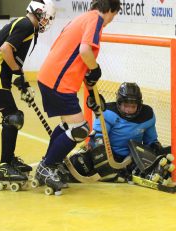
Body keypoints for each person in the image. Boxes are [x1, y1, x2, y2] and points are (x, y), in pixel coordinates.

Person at [34, 0, 121, 195]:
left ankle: (47, 164)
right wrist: (95, 68)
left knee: (68, 126)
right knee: (80, 129)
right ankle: (47, 167)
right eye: (113, 16)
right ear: (109, 10)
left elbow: (77, 60)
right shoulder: (96, 20)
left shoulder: (81, 18)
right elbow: (84, 51)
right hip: (59, 82)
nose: (110, 21)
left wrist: (91, 93)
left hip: (50, 77)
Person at [0, 0, 56, 190]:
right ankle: (4, 166)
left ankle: (9, 160)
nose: (47, 21)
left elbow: (9, 57)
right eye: (46, 17)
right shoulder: (27, 25)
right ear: (39, 12)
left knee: (12, 116)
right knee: (13, 117)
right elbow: (5, 50)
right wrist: (18, 76)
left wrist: (21, 82)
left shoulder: (24, 24)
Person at [61, 82, 170, 183]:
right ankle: (59, 170)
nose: (128, 110)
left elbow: (150, 140)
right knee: (80, 163)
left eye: (133, 106)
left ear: (139, 105)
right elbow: (98, 136)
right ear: (119, 103)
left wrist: (156, 149)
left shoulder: (147, 115)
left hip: (131, 158)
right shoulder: (107, 112)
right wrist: (99, 151)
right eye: (126, 105)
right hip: (108, 153)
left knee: (155, 158)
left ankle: (145, 173)